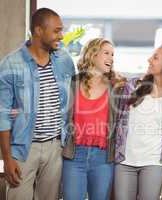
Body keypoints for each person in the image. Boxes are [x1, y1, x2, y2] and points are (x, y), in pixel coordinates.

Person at [0, 8, 75, 200]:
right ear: (38, 31)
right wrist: (7, 159)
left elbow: (78, 93)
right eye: (56, 31)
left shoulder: (64, 60)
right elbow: (2, 117)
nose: (61, 36)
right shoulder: (10, 65)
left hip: (56, 147)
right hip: (23, 149)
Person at [114, 44, 162, 200]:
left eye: (155, 57)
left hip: (154, 161)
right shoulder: (133, 85)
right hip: (125, 159)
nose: (149, 59)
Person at [62, 38, 125, 200]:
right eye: (106, 53)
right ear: (93, 54)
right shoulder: (72, 82)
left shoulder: (116, 85)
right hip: (74, 155)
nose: (111, 58)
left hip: (103, 157)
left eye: (113, 54)